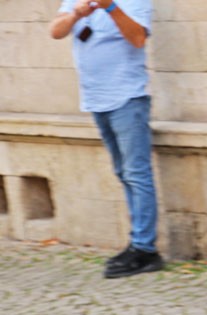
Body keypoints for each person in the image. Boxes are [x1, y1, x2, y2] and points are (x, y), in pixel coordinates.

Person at [50, 0, 162, 279]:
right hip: (96, 100)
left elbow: (138, 38)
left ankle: (145, 249)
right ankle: (138, 244)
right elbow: (55, 31)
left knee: (136, 174)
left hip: (127, 98)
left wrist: (110, 7)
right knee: (124, 173)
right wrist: (77, 14)